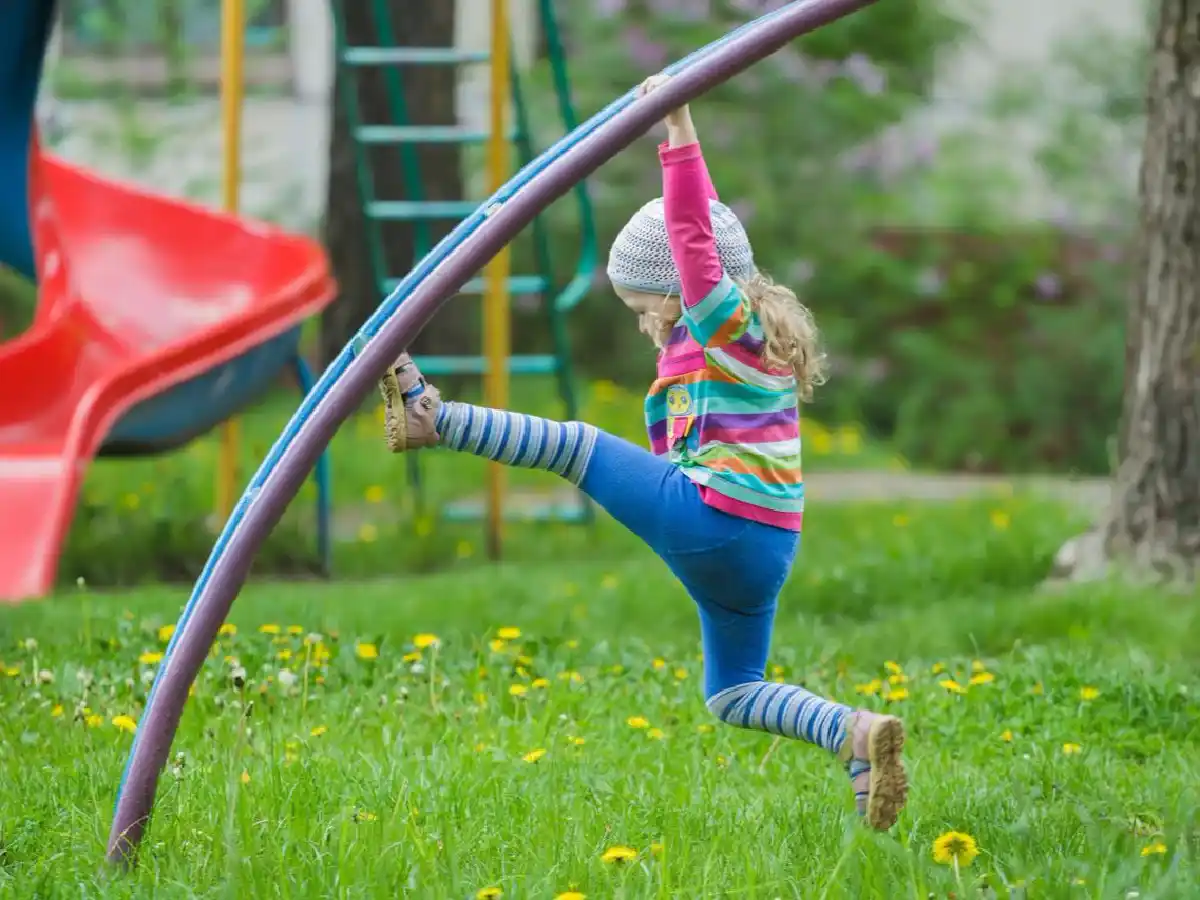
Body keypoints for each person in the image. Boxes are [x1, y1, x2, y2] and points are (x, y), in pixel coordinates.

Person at [377, 73, 908, 829]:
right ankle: (854, 735)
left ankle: (435, 417)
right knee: (733, 691)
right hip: (767, 546)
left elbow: (693, 234)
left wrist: (676, 122)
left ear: (676, 292)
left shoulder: (718, 320)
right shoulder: (747, 341)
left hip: (717, 515)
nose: (641, 324)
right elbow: (705, 247)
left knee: (578, 446)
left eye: (639, 307)